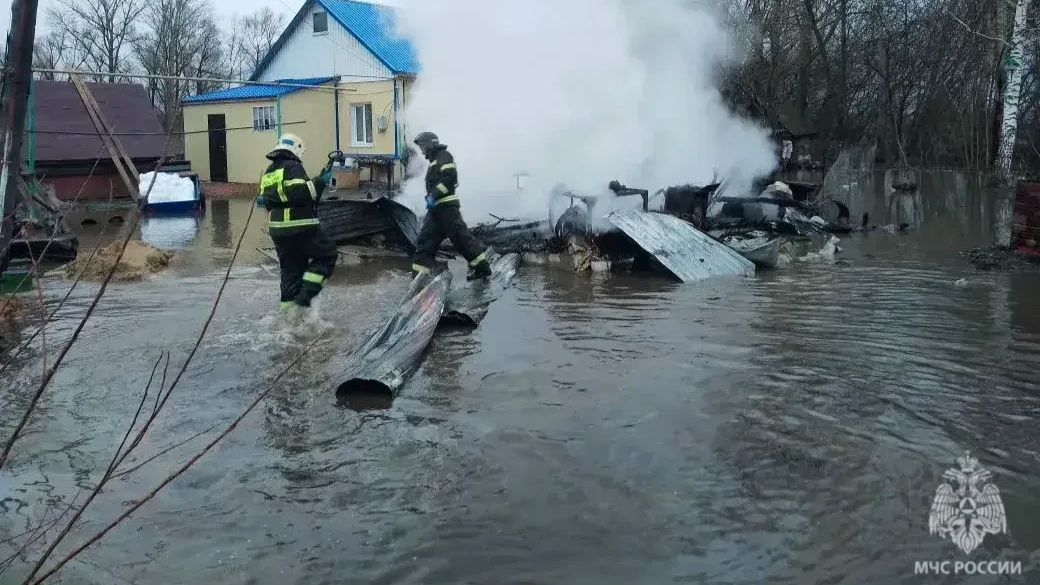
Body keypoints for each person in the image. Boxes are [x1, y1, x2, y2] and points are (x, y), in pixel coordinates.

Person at [259, 133, 337, 323]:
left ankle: (288, 318)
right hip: (299, 225)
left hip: (278, 230)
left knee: (290, 271)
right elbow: (303, 194)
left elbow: (268, 201)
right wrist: (320, 181)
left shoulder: (269, 171)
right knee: (327, 255)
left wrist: (317, 181)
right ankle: (303, 300)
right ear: (296, 148)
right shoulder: (293, 166)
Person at [411, 131, 492, 280]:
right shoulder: (435, 161)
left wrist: (433, 195)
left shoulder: (444, 156)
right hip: (436, 210)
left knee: (461, 239)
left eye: (422, 147)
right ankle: (419, 278)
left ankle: (482, 269)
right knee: (425, 242)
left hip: (447, 208)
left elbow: (450, 178)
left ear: (430, 144)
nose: (421, 151)